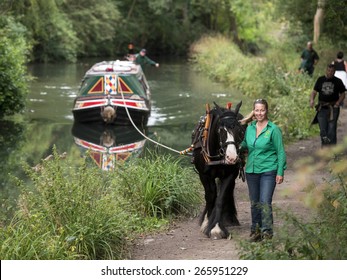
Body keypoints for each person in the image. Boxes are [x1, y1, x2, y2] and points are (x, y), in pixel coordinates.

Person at [240, 99, 287, 242]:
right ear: (253, 112)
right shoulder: (249, 128)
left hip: (268, 170)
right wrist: (234, 150)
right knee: (254, 202)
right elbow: (244, 145)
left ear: (266, 111)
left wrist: (280, 172)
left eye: (262, 110)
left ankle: (267, 232)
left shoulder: (273, 129)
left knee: (265, 201)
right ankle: (256, 231)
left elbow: (280, 152)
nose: (259, 113)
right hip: (251, 171)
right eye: (257, 110)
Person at [310, 64, 346, 146]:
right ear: (326, 71)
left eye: (332, 71)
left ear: (334, 72)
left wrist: (338, 102)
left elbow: (343, 93)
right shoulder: (320, 80)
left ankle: (332, 151)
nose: (330, 73)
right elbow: (314, 91)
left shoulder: (338, 81)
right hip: (322, 108)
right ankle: (325, 149)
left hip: (333, 108)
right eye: (329, 71)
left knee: (331, 130)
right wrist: (312, 100)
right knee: (323, 130)